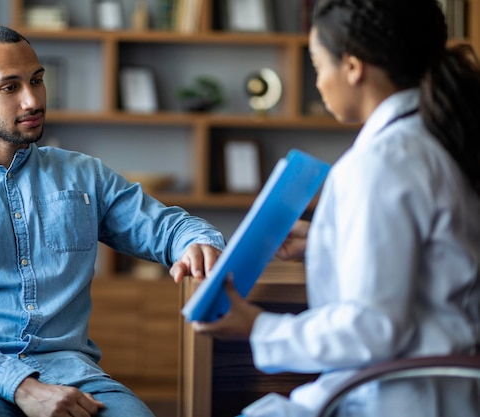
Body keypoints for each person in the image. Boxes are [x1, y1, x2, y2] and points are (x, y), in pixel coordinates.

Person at [0, 25, 225, 417]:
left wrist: (196, 241)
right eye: (9, 87)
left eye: (37, 80)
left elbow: (164, 226)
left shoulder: (83, 175)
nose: (32, 99)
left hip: (71, 373)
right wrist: (22, 387)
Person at [193, 0, 480, 416]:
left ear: (352, 67)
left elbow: (372, 327)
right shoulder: (443, 137)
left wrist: (257, 326)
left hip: (398, 395)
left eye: (317, 64)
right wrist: (329, 237)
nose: (318, 81)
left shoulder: (380, 162)